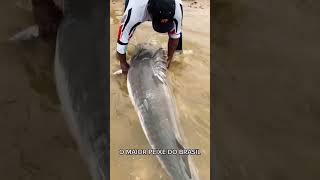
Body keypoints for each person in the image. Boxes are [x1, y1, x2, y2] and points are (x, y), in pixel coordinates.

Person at [116, 0, 183, 74]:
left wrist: (169, 59)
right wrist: (123, 63)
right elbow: (121, 38)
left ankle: (178, 52)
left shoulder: (177, 7)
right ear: (150, 13)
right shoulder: (133, 11)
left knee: (177, 31)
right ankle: (121, 55)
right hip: (138, 5)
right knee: (126, 30)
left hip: (170, 13)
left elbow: (175, 35)